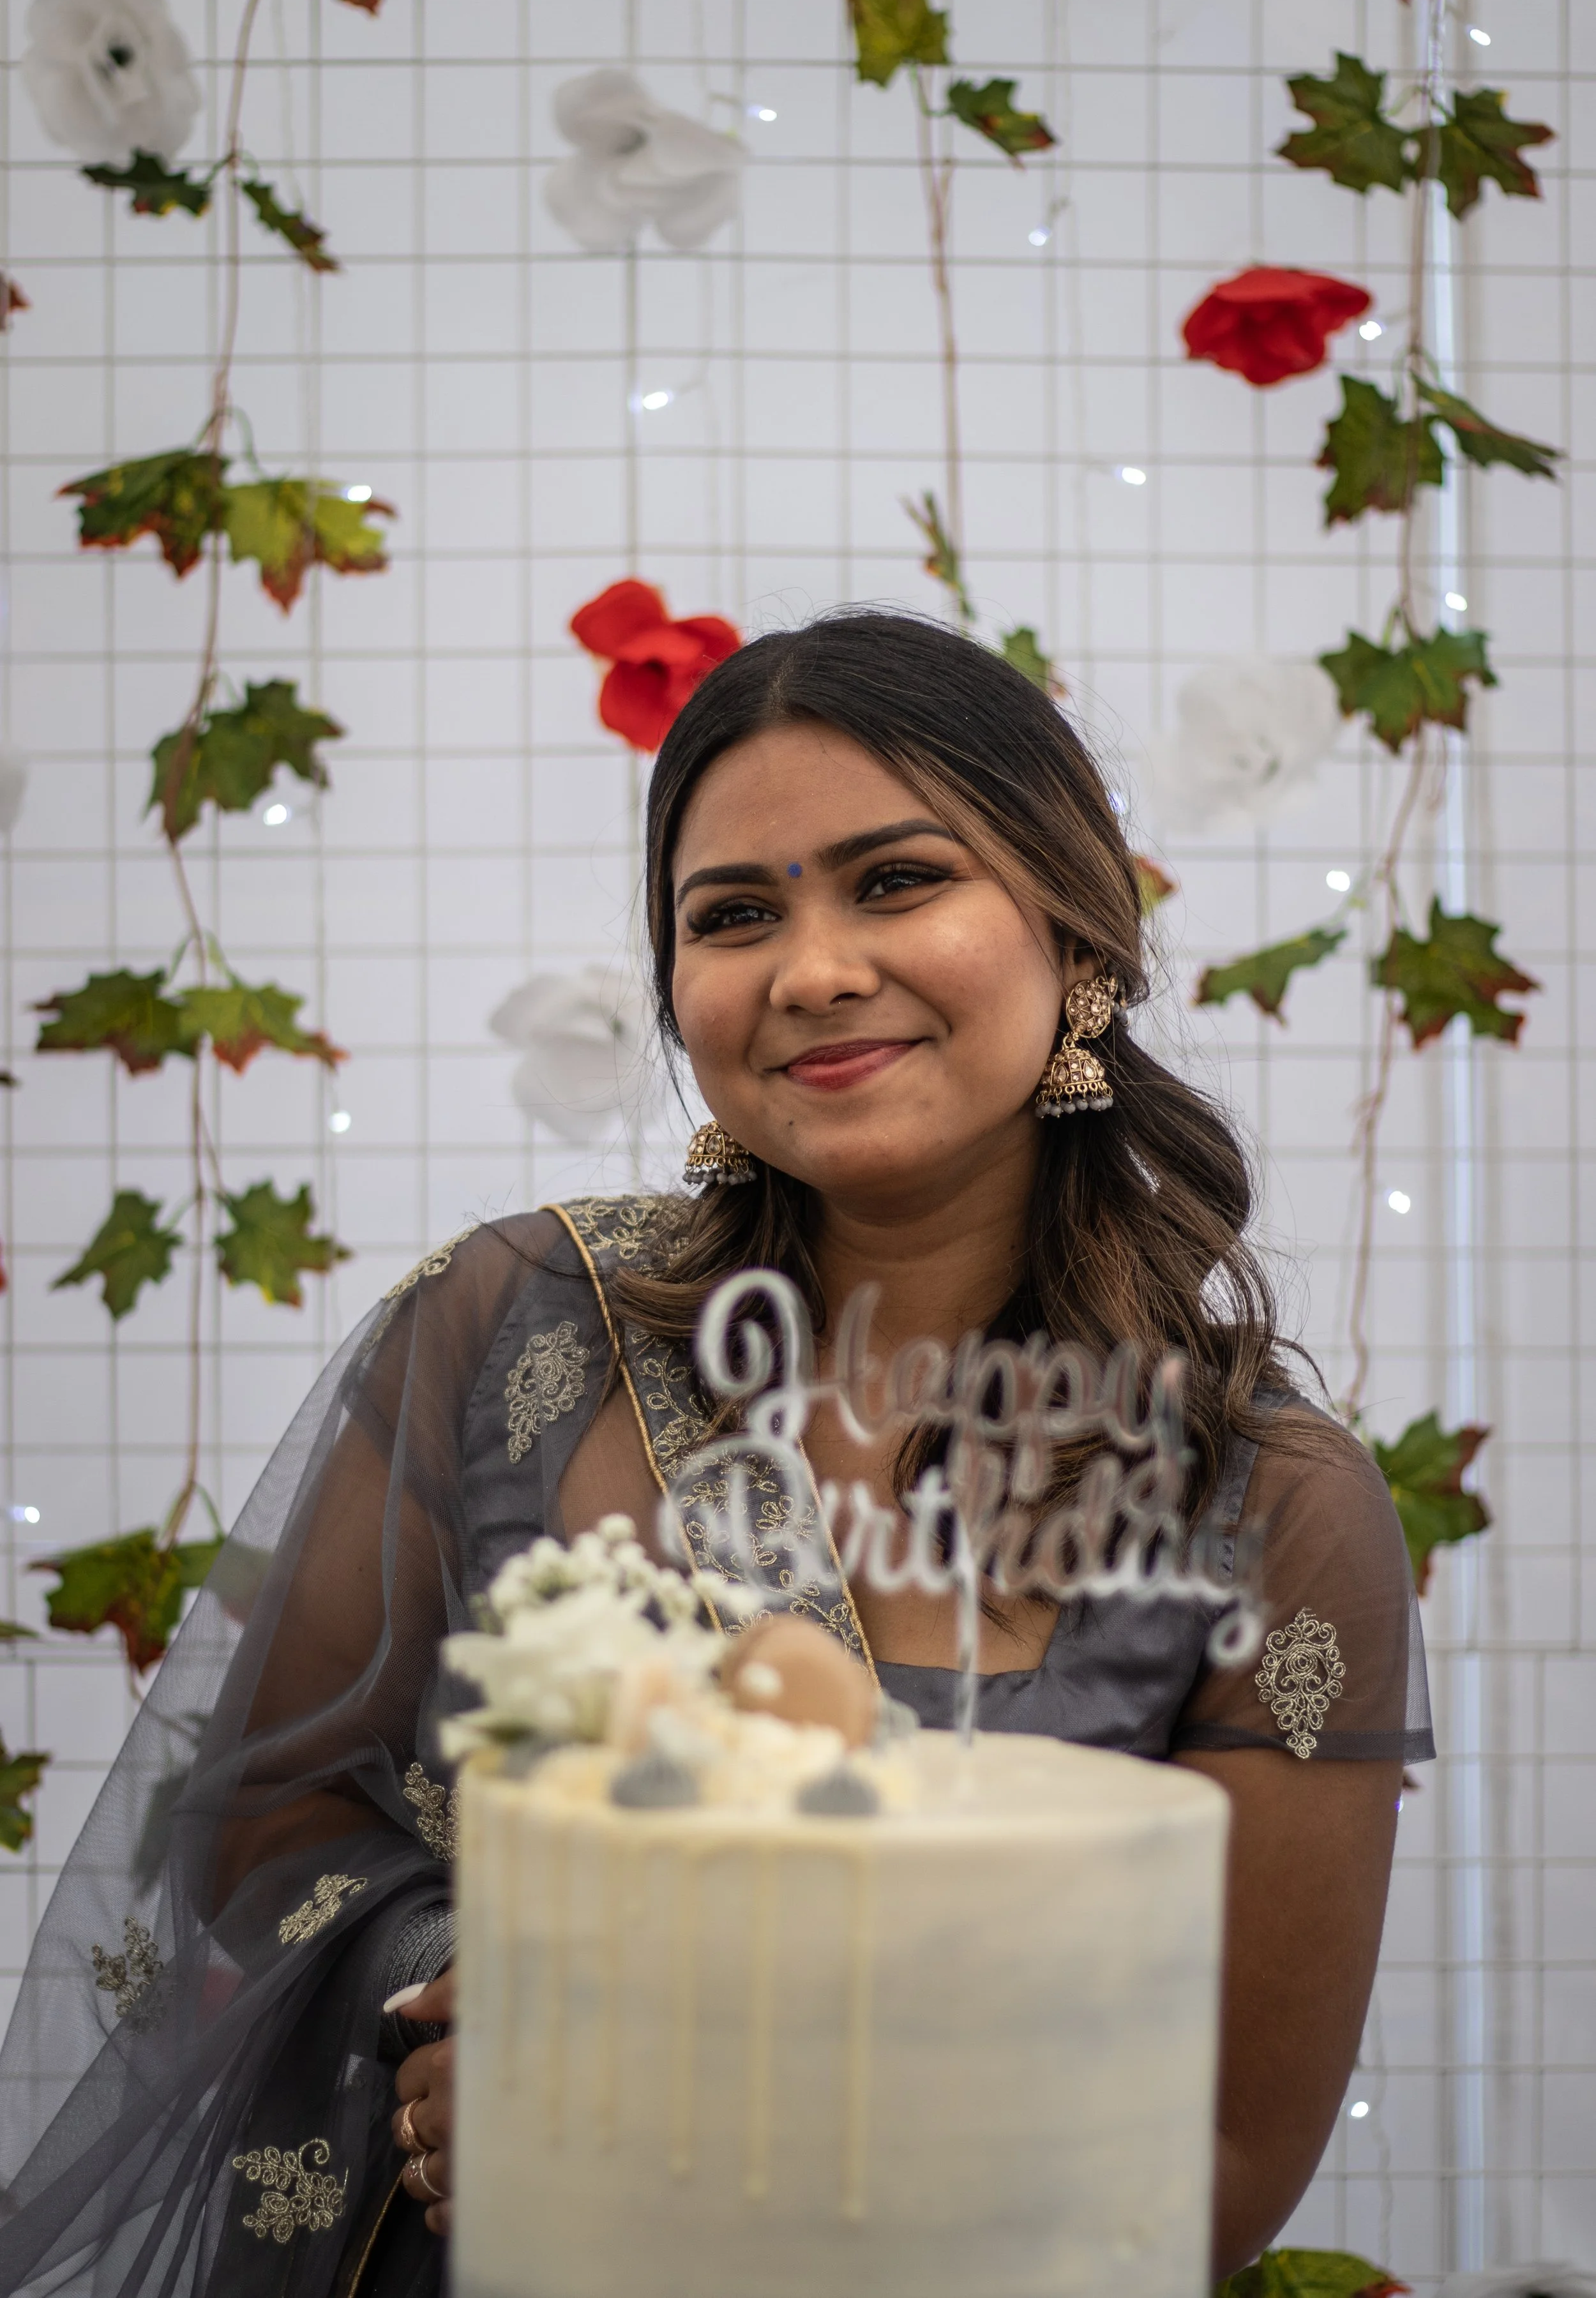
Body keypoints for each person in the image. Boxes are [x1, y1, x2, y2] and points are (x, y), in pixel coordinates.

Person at [0, 612, 1431, 2297]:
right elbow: (267, 1821)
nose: (811, 967)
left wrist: (686, 2068)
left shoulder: (1260, 1499)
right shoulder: (511, 1326)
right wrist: (506, 1993)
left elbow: (1218, 2159)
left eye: (896, 880)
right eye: (732, 914)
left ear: (1079, 928)